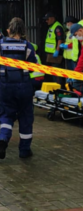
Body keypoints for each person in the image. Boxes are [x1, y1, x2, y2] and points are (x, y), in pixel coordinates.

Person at [0, 18, 37, 159]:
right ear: (22, 31)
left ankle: (2, 140)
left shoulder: (0, 45)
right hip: (24, 86)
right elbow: (34, 64)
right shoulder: (28, 46)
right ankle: (24, 150)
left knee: (5, 115)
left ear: (9, 30)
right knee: (26, 117)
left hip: (4, 86)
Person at [43, 12, 65, 87]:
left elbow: (60, 39)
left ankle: (59, 87)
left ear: (52, 18)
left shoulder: (57, 27)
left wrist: (57, 50)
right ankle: (55, 87)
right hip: (50, 54)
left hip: (56, 55)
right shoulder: (51, 26)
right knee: (52, 72)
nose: (46, 21)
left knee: (57, 73)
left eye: (47, 19)